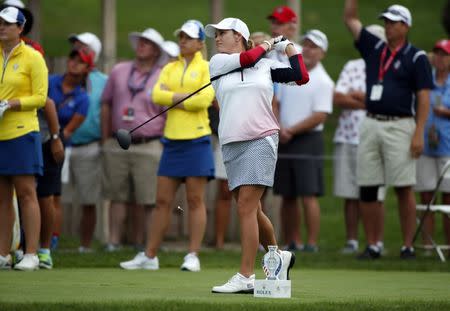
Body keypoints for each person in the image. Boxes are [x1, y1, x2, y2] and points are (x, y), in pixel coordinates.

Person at [204, 17, 309, 293]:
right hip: (231, 143)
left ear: (238, 35)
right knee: (252, 207)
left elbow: (301, 76)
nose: (216, 39)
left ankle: (246, 275)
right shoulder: (217, 63)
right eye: (215, 35)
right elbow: (248, 57)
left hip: (261, 139)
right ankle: (278, 255)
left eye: (222, 34)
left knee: (246, 207)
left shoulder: (265, 66)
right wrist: (267, 43)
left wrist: (289, 48)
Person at [120, 20, 215, 271]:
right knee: (162, 201)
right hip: (171, 140)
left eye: (188, 37)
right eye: (181, 36)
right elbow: (156, 95)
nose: (183, 40)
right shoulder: (169, 67)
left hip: (197, 139)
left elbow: (204, 100)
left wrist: (175, 98)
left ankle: (192, 255)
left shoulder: (206, 67)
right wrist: (184, 98)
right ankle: (150, 256)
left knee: (195, 201)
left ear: (199, 43)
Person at [344, 0, 434, 259]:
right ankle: (374, 245)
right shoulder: (375, 48)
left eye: (393, 22)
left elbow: (424, 97)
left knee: (404, 186)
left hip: (401, 125)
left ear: (406, 26)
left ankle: (407, 246)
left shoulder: (416, 57)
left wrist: (418, 132)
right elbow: (351, 19)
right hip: (371, 122)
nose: (388, 26)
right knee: (368, 187)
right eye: (386, 21)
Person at [101, 28, 167, 251]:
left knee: (148, 198)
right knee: (116, 195)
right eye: (140, 41)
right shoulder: (119, 70)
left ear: (157, 51)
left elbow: (168, 112)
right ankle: (113, 243)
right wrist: (104, 140)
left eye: (147, 43)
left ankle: (145, 245)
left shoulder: (163, 75)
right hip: (116, 143)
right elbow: (106, 104)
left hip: (149, 143)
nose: (141, 45)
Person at [273, 29, 334, 253]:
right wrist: (281, 128)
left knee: (308, 194)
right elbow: (276, 101)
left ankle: (312, 244)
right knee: (287, 194)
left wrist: (291, 130)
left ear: (323, 53)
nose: (308, 49)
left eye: (314, 46)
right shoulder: (292, 71)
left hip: (308, 139)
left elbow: (320, 115)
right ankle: (292, 241)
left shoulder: (323, 81)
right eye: (306, 44)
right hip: (285, 137)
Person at [0, 6, 48, 270]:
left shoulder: (32, 57)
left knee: (27, 193)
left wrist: (12, 103)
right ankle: (3, 253)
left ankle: (31, 253)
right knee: (2, 197)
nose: (2, 27)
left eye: (7, 23)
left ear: (20, 28)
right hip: (0, 134)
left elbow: (40, 98)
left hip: (22, 132)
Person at [332, 24, 387, 254]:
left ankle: (376, 242)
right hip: (348, 136)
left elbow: (389, 102)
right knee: (350, 194)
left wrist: (357, 96)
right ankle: (352, 241)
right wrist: (368, 101)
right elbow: (338, 97)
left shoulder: (388, 67)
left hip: (378, 137)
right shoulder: (352, 65)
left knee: (376, 195)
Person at [38, 47, 92, 264]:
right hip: (33, 139)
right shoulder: (50, 81)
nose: (74, 63)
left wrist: (53, 138)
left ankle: (52, 240)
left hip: (57, 147)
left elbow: (68, 131)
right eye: (72, 58)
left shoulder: (82, 98)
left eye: (80, 61)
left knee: (53, 196)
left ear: (87, 68)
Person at [66, 32, 108, 253]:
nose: (75, 49)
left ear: (92, 53)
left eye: (81, 46)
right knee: (52, 197)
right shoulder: (63, 78)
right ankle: (49, 245)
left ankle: (85, 246)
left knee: (88, 200)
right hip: (62, 145)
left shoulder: (104, 82)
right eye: (75, 46)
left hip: (89, 146)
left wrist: (103, 143)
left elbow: (106, 114)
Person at [415, 39, 450, 253]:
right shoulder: (426, 81)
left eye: (444, 54)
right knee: (427, 197)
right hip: (426, 146)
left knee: (448, 199)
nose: (440, 58)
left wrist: (446, 113)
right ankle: (428, 247)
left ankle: (447, 246)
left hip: (448, 148)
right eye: (437, 54)